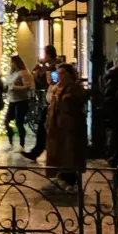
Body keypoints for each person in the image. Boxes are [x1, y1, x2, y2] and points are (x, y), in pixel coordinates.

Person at [45, 63, 87, 191]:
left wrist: (63, 98)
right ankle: (59, 178)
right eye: (59, 73)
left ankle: (69, 180)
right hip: (56, 126)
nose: (60, 76)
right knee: (57, 153)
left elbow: (72, 104)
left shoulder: (74, 88)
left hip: (70, 127)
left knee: (69, 154)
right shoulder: (57, 87)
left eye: (63, 73)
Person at [22, 46, 61, 161]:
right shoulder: (49, 67)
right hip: (49, 100)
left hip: (53, 101)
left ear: (48, 54)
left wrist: (42, 70)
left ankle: (40, 151)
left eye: (45, 54)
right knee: (42, 127)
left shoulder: (54, 67)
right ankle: (37, 151)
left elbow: (48, 81)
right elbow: (42, 83)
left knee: (44, 127)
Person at [4, 55, 35, 149]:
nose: (11, 64)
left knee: (19, 122)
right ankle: (10, 142)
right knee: (6, 120)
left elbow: (28, 87)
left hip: (22, 100)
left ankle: (22, 144)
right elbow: (7, 84)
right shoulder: (12, 74)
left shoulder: (23, 73)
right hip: (12, 100)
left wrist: (15, 88)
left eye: (12, 62)